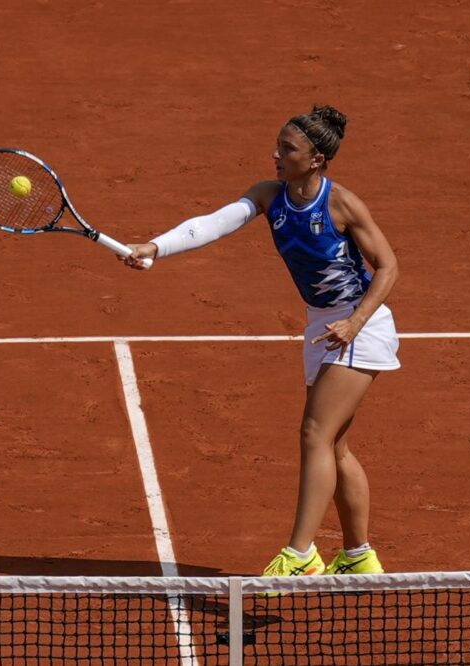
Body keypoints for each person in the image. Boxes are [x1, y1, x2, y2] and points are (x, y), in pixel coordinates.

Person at [122, 106, 400, 576]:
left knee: (314, 432)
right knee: (334, 447)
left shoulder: (342, 205)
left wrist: (354, 323)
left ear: (314, 158)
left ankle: (300, 554)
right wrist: (155, 246)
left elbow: (388, 267)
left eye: (287, 149)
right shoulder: (271, 196)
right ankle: (358, 556)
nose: (276, 154)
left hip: (359, 326)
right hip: (321, 329)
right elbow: (213, 222)